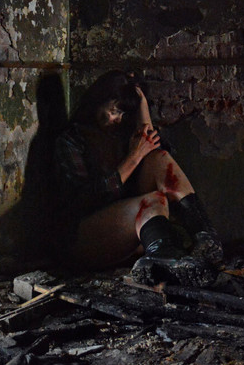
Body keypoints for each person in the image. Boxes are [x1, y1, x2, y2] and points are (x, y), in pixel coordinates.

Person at [53, 70, 223, 286]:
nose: (116, 119)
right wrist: (134, 157)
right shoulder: (71, 141)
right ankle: (163, 258)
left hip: (126, 231)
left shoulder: (121, 132)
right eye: (113, 111)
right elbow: (85, 200)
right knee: (152, 201)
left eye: (122, 114)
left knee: (159, 157)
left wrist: (142, 102)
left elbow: (153, 148)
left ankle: (204, 237)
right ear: (97, 101)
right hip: (86, 238)